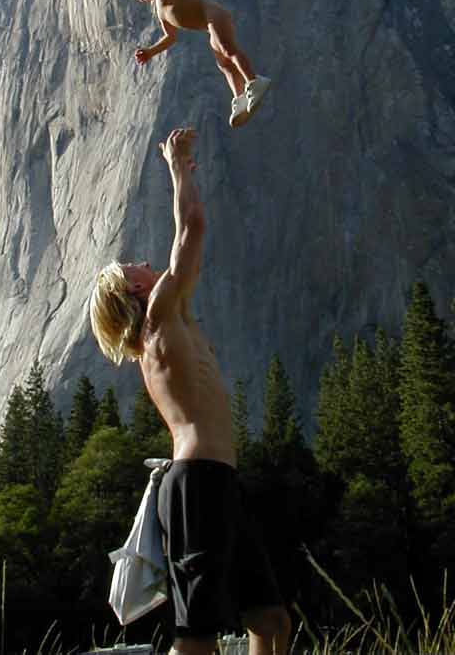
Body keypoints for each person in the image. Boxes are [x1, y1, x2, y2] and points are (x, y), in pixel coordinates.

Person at [89, 128, 291, 655]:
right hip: (195, 484)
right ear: (133, 289)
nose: (144, 261)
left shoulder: (169, 321)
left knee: (269, 620)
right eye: (135, 265)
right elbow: (191, 230)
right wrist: (179, 166)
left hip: (220, 481)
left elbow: (185, 254)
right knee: (195, 634)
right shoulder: (156, 320)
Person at [122, 0, 271, 128]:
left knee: (227, 49)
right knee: (223, 64)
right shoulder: (159, 9)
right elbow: (170, 37)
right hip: (209, 27)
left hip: (214, 16)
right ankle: (240, 99)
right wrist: (150, 52)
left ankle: (253, 82)